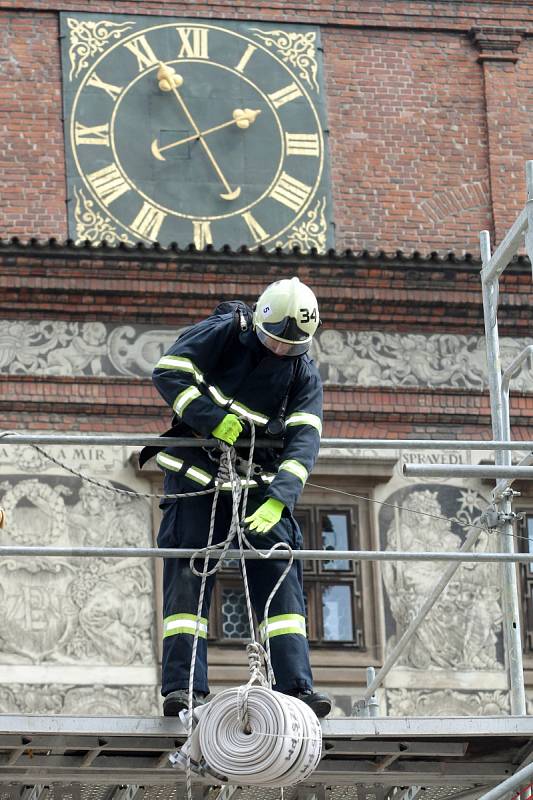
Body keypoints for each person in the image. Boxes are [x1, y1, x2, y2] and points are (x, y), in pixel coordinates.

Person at [148, 276, 332, 719]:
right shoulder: (227, 329)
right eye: (275, 341)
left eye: (292, 346)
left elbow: (304, 442)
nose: (281, 351)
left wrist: (280, 500)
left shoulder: (303, 372)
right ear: (259, 322)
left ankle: (295, 687)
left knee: (281, 581)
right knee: (189, 577)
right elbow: (169, 372)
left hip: (259, 487)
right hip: (197, 478)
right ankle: (184, 690)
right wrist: (210, 418)